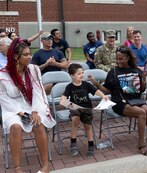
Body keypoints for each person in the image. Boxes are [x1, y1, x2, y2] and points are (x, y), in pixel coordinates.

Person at [0, 38, 56, 173]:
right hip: (11, 107)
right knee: (15, 127)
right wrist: (19, 112)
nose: (29, 57)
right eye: (25, 54)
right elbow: (3, 97)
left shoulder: (33, 69)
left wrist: (35, 111)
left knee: (38, 124)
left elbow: (38, 92)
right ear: (15, 57)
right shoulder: (3, 74)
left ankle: (45, 165)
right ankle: (17, 168)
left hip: (32, 105)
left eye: (30, 54)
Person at [89, 45, 147, 156]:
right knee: (142, 113)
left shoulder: (136, 70)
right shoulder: (114, 71)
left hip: (135, 100)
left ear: (128, 58)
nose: (118, 61)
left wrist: (144, 79)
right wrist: (96, 83)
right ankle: (141, 144)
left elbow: (143, 89)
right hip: (120, 102)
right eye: (117, 58)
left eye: (121, 59)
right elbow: (106, 91)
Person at [60, 63, 109, 158]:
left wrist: (103, 96)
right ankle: (73, 143)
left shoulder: (86, 85)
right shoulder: (69, 87)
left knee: (88, 126)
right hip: (75, 108)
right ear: (72, 76)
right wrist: (65, 102)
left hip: (87, 108)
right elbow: (63, 99)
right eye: (79, 73)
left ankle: (91, 145)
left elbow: (96, 91)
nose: (82, 75)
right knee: (75, 121)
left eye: (82, 72)